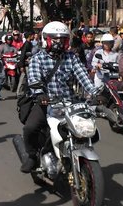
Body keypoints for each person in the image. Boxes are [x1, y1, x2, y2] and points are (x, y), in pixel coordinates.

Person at [20, 21, 99, 173]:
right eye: (55, 39)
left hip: (70, 103)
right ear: (46, 39)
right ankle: (32, 156)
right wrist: (40, 94)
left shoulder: (72, 57)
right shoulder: (38, 59)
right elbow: (34, 79)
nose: (59, 43)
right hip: (45, 102)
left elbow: (83, 77)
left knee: (87, 129)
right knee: (30, 128)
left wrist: (96, 93)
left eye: (62, 39)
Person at [92, 34, 123, 131]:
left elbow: (119, 66)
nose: (108, 45)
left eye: (110, 43)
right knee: (96, 92)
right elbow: (94, 63)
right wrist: (98, 65)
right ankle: (94, 110)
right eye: (106, 43)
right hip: (100, 76)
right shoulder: (98, 52)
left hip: (112, 76)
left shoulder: (116, 54)